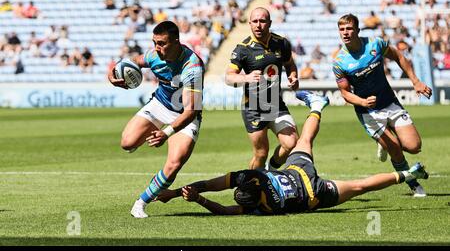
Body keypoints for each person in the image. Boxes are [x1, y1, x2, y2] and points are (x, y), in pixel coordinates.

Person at [156, 91, 429, 215]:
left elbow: (221, 208)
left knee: (360, 186)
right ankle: (317, 106)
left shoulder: (260, 207)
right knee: (306, 139)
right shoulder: (250, 176)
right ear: (253, 181)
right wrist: (185, 194)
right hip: (297, 173)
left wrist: (194, 200)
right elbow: (210, 187)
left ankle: (408, 173)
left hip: (313, 192)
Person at [108, 21, 205, 218]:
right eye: (155, 43)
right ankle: (155, 170)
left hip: (185, 115)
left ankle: (141, 203)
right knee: (127, 143)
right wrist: (113, 76)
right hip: (160, 104)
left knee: (174, 163)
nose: (157, 48)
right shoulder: (154, 56)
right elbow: (133, 62)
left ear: (176, 42)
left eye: (162, 43)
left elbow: (191, 111)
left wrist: (166, 133)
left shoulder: (192, 67)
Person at [332, 14, 432, 197]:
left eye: (349, 29)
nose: (345, 33)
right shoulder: (340, 61)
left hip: (389, 102)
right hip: (367, 111)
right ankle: (413, 184)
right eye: (342, 29)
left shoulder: (375, 44)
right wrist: (362, 101)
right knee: (395, 148)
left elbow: (399, 57)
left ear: (357, 30)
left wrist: (416, 82)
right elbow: (345, 93)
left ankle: (385, 144)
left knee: (414, 146)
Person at [225, 7, 299, 171]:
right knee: (261, 153)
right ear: (250, 24)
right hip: (253, 107)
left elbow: (290, 64)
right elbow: (229, 77)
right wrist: (246, 78)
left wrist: (293, 76)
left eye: (262, 21)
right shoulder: (242, 49)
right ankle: (250, 187)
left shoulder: (281, 43)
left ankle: (272, 171)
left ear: (269, 23)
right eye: (255, 21)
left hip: (275, 104)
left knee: (292, 143)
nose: (258, 25)